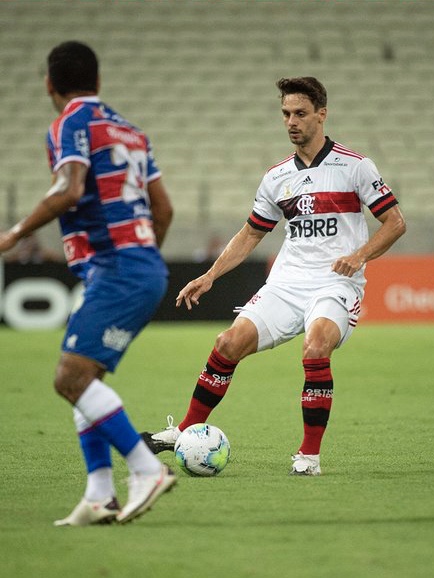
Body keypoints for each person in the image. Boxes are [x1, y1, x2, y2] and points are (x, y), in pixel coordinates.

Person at [143, 76, 406, 475]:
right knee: (228, 343)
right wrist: (210, 275)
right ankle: (183, 431)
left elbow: (394, 223)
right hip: (286, 283)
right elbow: (251, 232)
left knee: (316, 347)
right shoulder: (277, 177)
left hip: (336, 282)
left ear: (322, 114)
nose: (291, 122)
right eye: (285, 114)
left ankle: (309, 456)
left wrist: (359, 255)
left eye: (300, 113)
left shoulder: (355, 167)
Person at [0, 41, 176, 525]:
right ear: (98, 82)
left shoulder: (68, 124)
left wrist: (13, 234)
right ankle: (100, 493)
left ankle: (146, 469)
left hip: (116, 267)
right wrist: (143, 258)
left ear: (49, 85)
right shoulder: (132, 132)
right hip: (137, 265)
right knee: (86, 381)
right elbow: (164, 210)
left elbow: (69, 187)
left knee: (69, 378)